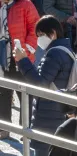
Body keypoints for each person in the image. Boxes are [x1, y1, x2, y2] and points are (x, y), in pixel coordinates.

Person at [14, 15, 74, 156]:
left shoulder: (54, 54)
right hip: (57, 113)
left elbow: (40, 83)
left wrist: (22, 61)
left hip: (48, 115)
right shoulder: (64, 49)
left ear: (52, 33)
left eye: (41, 35)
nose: (39, 39)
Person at [0, 0, 40, 138]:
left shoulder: (25, 5)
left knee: (24, 94)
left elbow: (34, 27)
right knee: (3, 93)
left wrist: (27, 51)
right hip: (3, 56)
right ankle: (4, 128)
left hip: (22, 56)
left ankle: (26, 130)